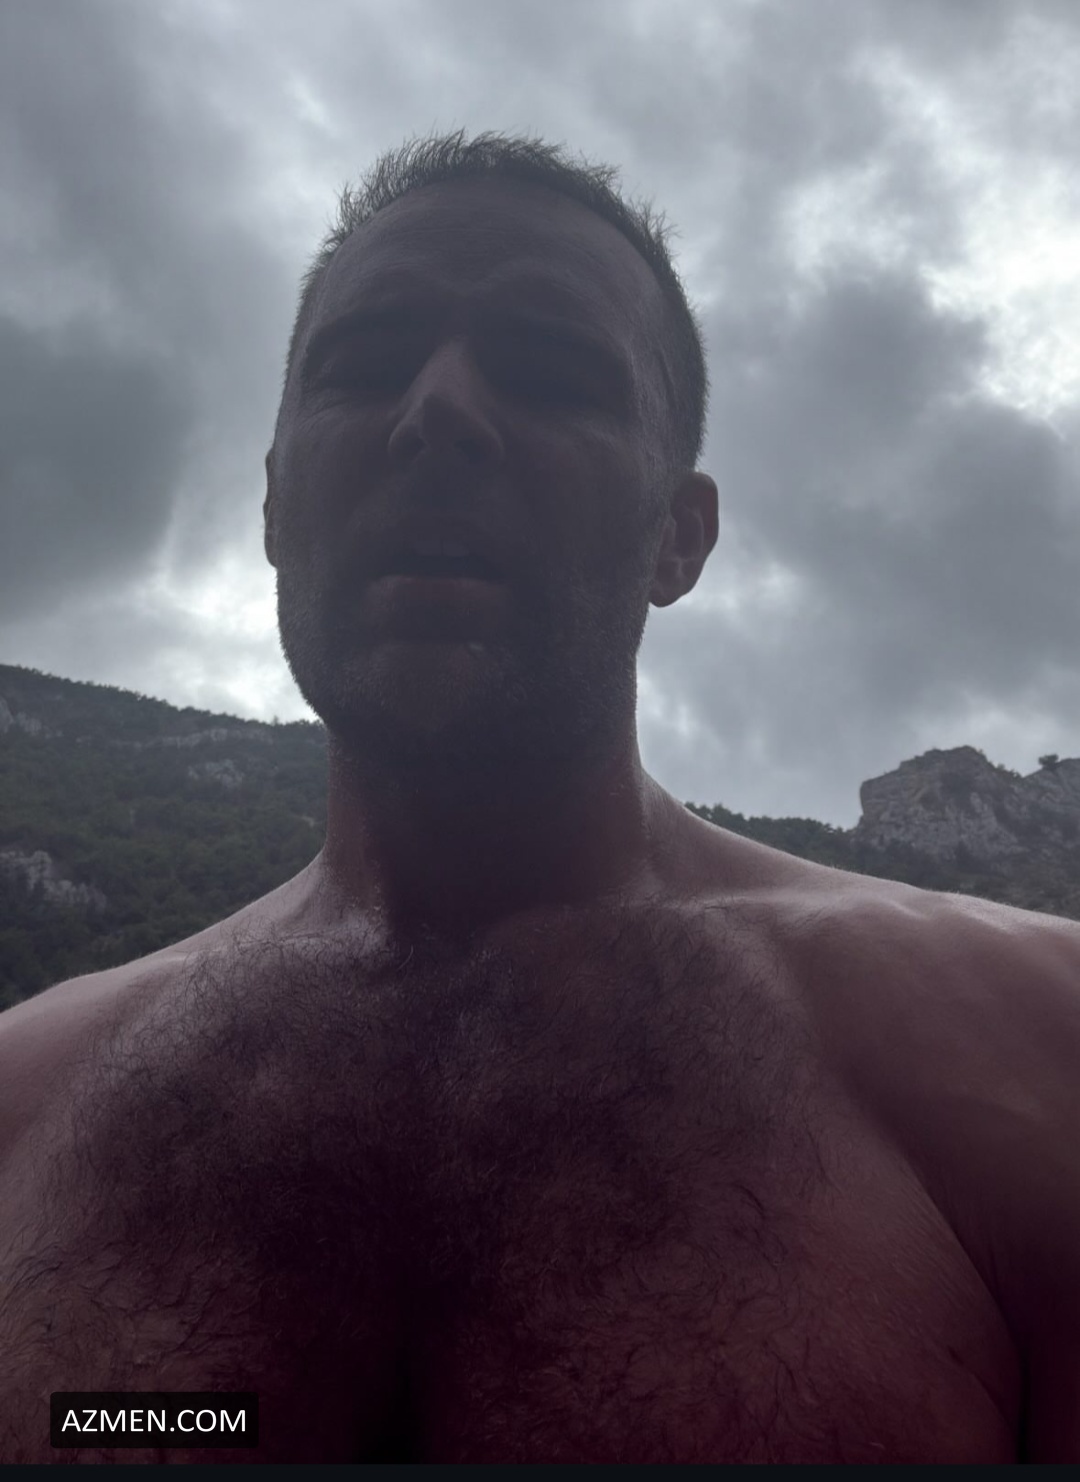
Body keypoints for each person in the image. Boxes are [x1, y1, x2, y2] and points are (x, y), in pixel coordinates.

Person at [1, 130, 1078, 1465]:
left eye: (553, 371)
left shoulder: (1033, 1061)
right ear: (277, 506)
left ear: (678, 536)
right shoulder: (21, 1107)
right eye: (364, 364)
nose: (438, 409)